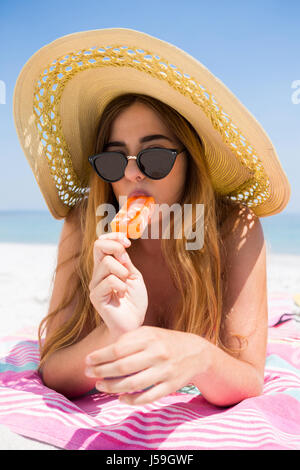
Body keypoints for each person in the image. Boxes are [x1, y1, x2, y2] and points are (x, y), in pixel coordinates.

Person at [13, 28, 290, 407]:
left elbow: (247, 377)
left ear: (191, 161)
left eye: (154, 157)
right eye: (114, 160)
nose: (131, 175)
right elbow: (55, 371)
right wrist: (114, 333)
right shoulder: (84, 224)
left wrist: (199, 355)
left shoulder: (233, 229)